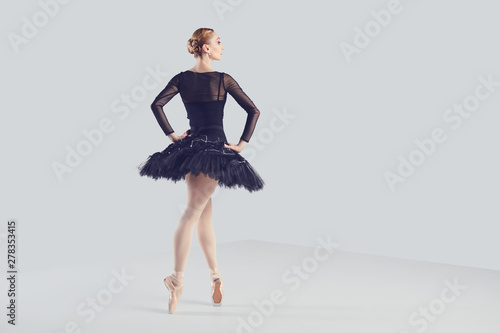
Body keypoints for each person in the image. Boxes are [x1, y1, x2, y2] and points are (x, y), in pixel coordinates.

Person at [137, 28, 265, 314]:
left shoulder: (181, 79)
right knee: (194, 211)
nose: (222, 46)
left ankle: (213, 275)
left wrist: (171, 135)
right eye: (218, 42)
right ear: (205, 48)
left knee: (202, 212)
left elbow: (156, 104)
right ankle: (177, 280)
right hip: (215, 148)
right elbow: (254, 110)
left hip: (190, 148)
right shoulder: (223, 79)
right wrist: (242, 143)